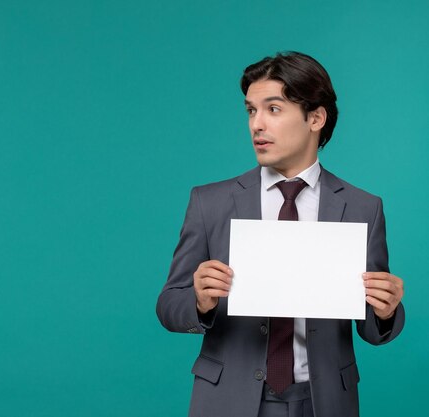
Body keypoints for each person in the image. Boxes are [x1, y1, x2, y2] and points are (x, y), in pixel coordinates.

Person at [156, 51, 405, 417]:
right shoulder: (210, 203)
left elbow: (371, 325)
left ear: (316, 117)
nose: (257, 124)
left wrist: (386, 310)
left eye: (273, 109)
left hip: (322, 402)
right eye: (250, 110)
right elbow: (168, 305)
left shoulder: (362, 207)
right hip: (228, 399)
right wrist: (199, 300)